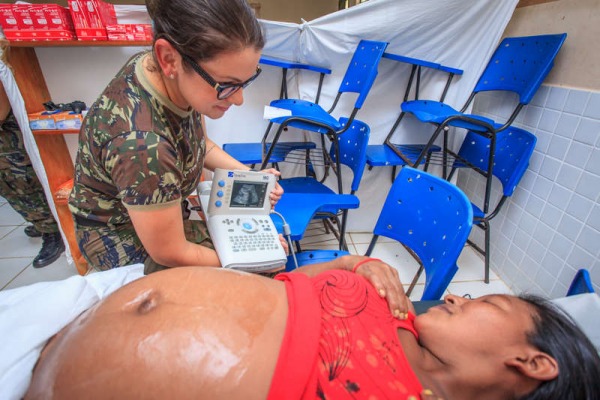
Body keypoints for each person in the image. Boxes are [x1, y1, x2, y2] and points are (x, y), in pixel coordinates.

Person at [26, 257, 600, 400]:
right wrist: (358, 265)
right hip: (56, 337)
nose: (455, 294)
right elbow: (291, 283)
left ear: (531, 362)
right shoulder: (396, 302)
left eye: (486, 303)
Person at [68, 0, 283, 273]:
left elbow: (201, 145)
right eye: (227, 85)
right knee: (263, 269)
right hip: (124, 240)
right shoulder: (144, 146)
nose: (239, 100)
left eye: (245, 82)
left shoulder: (165, 74)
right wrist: (250, 257)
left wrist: (252, 176)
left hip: (158, 217)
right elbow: (170, 251)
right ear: (168, 58)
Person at [0, 40, 65, 269]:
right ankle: (39, 222)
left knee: (23, 180)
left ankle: (50, 229)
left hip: (8, 135)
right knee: (7, 186)